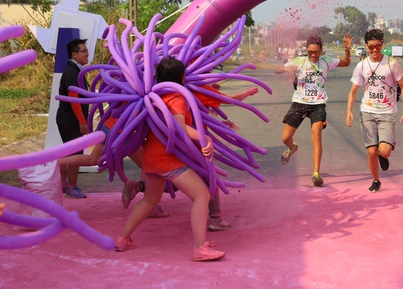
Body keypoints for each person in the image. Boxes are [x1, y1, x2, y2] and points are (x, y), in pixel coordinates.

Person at [115, 57, 224, 261]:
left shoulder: (154, 96)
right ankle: (200, 247)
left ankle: (123, 239)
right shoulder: (177, 98)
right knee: (202, 195)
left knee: (150, 200)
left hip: (151, 158)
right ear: (182, 77)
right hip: (166, 159)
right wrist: (205, 137)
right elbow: (179, 127)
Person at [122, 84, 260, 231]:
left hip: (169, 145)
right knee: (208, 177)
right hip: (194, 143)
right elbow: (228, 99)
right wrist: (246, 93)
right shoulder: (196, 89)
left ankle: (139, 187)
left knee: (174, 181)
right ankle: (215, 219)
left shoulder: (157, 92)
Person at [276, 33, 352, 187]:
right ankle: (292, 147)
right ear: (306, 50)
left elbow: (346, 62)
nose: (313, 55)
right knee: (285, 138)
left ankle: (316, 174)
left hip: (318, 104)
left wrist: (347, 50)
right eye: (310, 52)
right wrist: (285, 68)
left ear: (321, 51)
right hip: (299, 103)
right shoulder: (300, 61)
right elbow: (278, 70)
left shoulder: (326, 61)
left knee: (316, 135)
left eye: (316, 52)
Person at [346, 29, 403, 193]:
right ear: (366, 46)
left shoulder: (391, 64)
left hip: (387, 113)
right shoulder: (362, 65)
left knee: (384, 151)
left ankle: (383, 155)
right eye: (371, 47)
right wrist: (349, 111)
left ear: (383, 44)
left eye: (378, 46)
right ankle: (376, 180)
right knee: (371, 150)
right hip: (367, 111)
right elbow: (353, 91)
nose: (375, 50)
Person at [56, 38, 90, 199]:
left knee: (69, 152)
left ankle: (62, 183)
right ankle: (72, 186)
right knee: (75, 153)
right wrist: (82, 121)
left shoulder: (76, 70)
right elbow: (73, 98)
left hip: (69, 119)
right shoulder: (71, 72)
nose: (87, 54)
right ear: (74, 54)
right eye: (84, 51)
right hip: (70, 119)